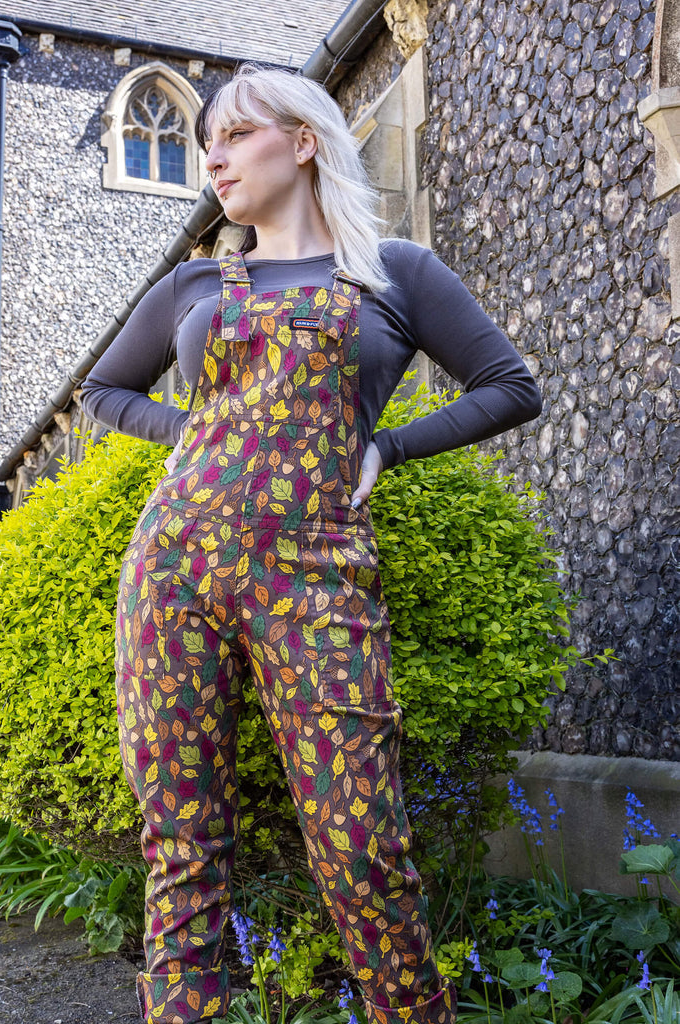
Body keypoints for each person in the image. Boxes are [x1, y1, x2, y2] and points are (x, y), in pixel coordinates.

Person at [81, 64, 541, 1024]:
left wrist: (385, 445)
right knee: (181, 844)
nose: (211, 154)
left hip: (316, 577)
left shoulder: (394, 272)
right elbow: (103, 393)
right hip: (173, 571)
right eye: (204, 140)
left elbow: (508, 384)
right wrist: (198, 434)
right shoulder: (194, 283)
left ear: (301, 140)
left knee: (361, 843)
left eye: (235, 134)